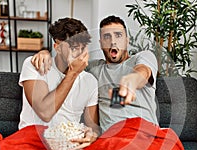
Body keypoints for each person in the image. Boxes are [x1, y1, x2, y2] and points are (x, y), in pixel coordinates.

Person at [31, 15, 159, 132]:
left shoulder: (143, 57)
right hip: (112, 140)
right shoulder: (92, 69)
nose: (113, 42)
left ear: (127, 40)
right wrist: (46, 54)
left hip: (145, 134)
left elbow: (143, 71)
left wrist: (132, 81)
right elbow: (65, 64)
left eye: (118, 35)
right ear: (100, 43)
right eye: (107, 37)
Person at [19, 17, 100, 150]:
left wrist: (92, 134)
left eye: (83, 48)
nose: (80, 54)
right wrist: (73, 73)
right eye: (74, 47)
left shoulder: (90, 81)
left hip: (68, 146)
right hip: (32, 143)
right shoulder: (35, 66)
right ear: (57, 47)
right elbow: (45, 112)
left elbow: (93, 125)